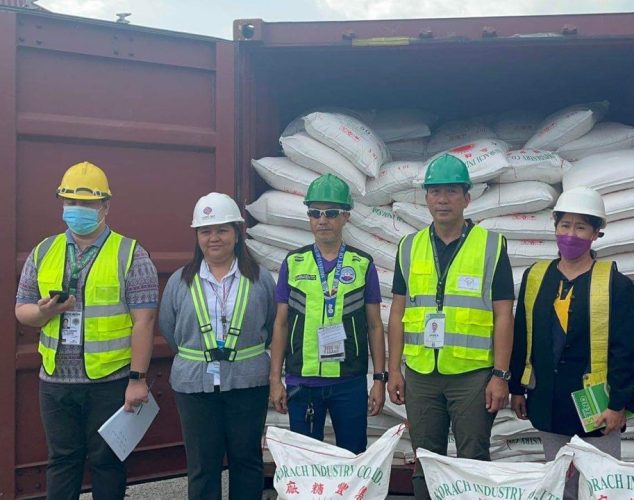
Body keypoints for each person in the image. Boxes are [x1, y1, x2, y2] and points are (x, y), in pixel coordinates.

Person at [15, 161, 158, 500]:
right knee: (62, 461)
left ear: (105, 206)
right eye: (71, 202)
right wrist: (43, 311)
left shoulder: (131, 254)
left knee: (107, 462)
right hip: (55, 382)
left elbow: (145, 321)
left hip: (108, 381)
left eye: (87, 203)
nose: (77, 209)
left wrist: (137, 380)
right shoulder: (43, 251)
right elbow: (22, 310)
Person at [386, 154, 515, 500]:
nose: (442, 200)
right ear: (426, 198)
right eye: (435, 192)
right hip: (421, 373)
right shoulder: (409, 247)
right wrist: (393, 370)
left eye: (452, 192)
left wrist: (500, 375)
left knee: (473, 461)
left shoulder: (491, 245)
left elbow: (504, 315)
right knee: (425, 460)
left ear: (467, 198)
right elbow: (397, 312)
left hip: (473, 376)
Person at [509, 186, 634, 500]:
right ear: (555, 227)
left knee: (601, 487)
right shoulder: (536, 276)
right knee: (560, 485)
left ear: (596, 233)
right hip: (548, 400)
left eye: (581, 227)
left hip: (597, 406)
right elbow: (522, 333)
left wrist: (618, 404)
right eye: (565, 225)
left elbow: (624, 349)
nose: (570, 234)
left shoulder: (615, 284)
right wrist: (517, 388)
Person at [159, 192, 276, 500]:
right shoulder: (180, 282)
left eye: (222, 230)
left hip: (247, 383)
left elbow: (271, 325)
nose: (214, 238)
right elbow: (170, 329)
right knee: (202, 465)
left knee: (247, 461)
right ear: (197, 236)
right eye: (206, 231)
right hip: (194, 386)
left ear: (237, 233)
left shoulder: (261, 279)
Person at [269, 174, 386, 454]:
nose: (322, 220)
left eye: (331, 213)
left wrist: (379, 380)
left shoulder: (362, 264)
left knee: (353, 457)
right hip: (303, 381)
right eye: (315, 213)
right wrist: (275, 379)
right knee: (307, 460)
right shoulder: (294, 262)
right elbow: (281, 324)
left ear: (346, 216)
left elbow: (374, 326)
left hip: (349, 381)